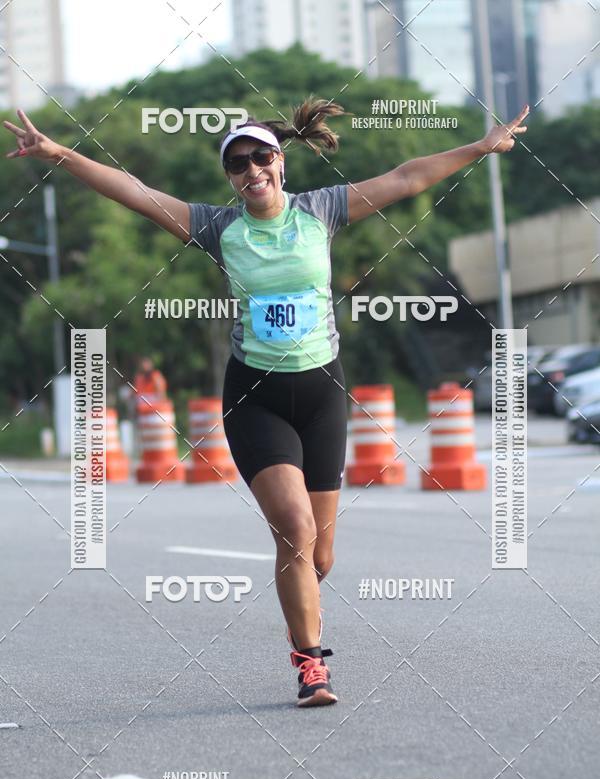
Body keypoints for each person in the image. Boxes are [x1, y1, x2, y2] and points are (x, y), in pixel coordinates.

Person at [4, 97, 528, 707]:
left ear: (280, 162)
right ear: (230, 177)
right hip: (255, 397)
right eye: (237, 165)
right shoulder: (217, 228)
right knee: (295, 531)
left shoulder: (323, 211)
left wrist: (480, 147)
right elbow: (134, 192)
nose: (250, 171)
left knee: (320, 553)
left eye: (260, 158)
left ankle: (301, 606)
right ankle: (311, 665)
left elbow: (406, 177)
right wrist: (60, 153)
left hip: (323, 392)